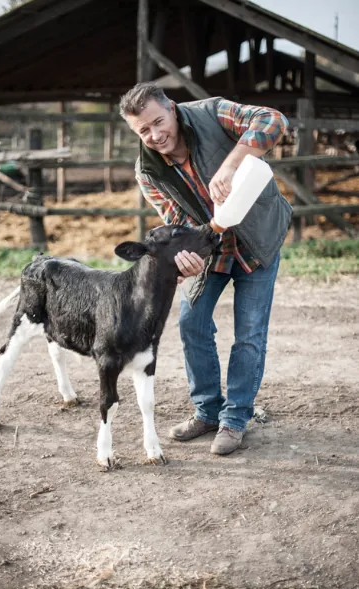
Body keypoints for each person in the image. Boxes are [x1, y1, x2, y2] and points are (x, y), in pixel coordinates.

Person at [119, 83, 292, 455]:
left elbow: (273, 120)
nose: (155, 135)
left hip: (258, 239)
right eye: (143, 130)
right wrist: (187, 258)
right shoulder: (147, 171)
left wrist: (232, 164)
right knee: (191, 322)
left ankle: (235, 419)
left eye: (158, 122)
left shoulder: (212, 113)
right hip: (212, 247)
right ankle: (208, 411)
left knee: (249, 333)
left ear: (172, 108)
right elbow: (177, 221)